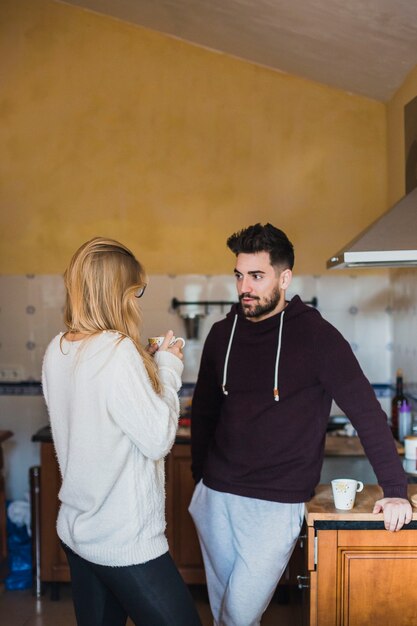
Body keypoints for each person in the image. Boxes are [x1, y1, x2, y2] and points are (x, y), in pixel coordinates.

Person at [189, 223, 412, 626]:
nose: (245, 287)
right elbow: (205, 409)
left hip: (277, 503)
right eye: (239, 275)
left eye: (257, 276)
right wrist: (199, 478)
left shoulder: (318, 337)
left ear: (285, 277)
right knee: (225, 615)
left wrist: (396, 490)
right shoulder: (222, 334)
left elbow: (365, 412)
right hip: (217, 498)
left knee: (239, 615)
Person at [42, 237, 202, 626]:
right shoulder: (116, 351)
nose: (137, 301)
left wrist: (142, 369)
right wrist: (166, 368)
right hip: (124, 541)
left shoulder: (57, 348)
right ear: (118, 293)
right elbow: (158, 439)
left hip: (79, 533)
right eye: (136, 291)